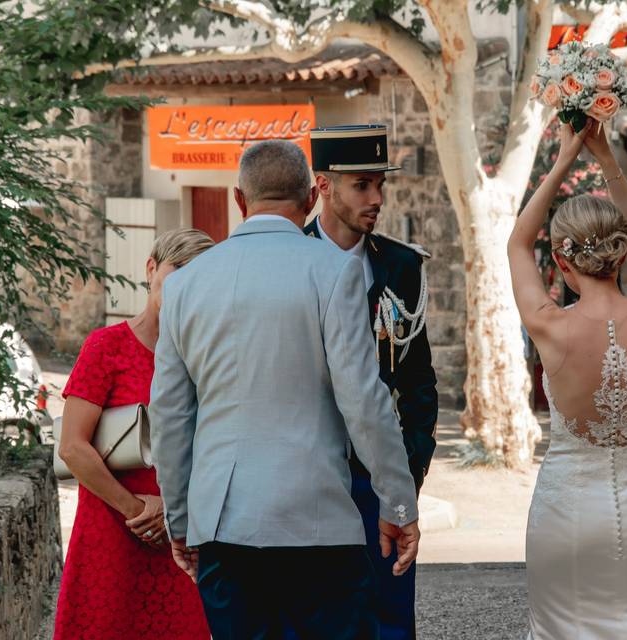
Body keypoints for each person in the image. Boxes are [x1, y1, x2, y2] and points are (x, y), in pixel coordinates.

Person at [149, 139, 422, 639]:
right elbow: (365, 400)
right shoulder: (334, 271)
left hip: (223, 524)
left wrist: (182, 520)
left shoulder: (186, 285)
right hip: (316, 519)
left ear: (239, 199)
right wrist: (397, 505)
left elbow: (169, 416)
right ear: (311, 199)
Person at [507, 120, 627, 639]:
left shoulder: (549, 324)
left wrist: (564, 159)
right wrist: (606, 158)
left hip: (566, 516)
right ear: (623, 253)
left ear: (562, 259)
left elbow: (518, 245)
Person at [298, 123, 438, 640]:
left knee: (390, 622)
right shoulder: (292, 260)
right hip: (308, 477)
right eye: (362, 184)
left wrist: (408, 474)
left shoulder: (401, 266)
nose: (376, 198)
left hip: (381, 479)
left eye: (381, 184)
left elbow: (419, 384)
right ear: (324, 186)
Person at [53, 229, 214, 640]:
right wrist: (138, 512)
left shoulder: (205, 359)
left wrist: (173, 509)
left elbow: (218, 448)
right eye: (178, 270)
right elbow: (72, 447)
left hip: (178, 535)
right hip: (111, 530)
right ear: (151, 269)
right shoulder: (105, 347)